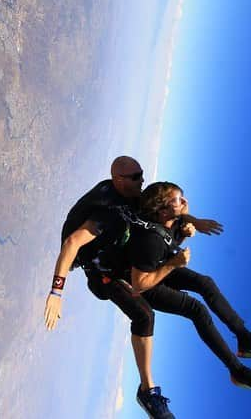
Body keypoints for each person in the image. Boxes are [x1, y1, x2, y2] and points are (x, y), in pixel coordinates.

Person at [45, 156, 221, 418]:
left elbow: (162, 207)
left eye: (142, 174)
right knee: (144, 315)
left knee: (161, 266)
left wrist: (191, 220)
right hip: (104, 274)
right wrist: (56, 292)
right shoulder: (107, 210)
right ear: (119, 180)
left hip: (120, 258)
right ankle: (148, 392)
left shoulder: (131, 194)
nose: (142, 180)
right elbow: (72, 243)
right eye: (137, 176)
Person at [126, 181, 251, 397]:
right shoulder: (150, 240)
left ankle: (244, 338)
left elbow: (180, 218)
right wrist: (174, 264)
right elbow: (138, 285)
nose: (185, 202)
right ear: (163, 211)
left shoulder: (168, 219)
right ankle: (237, 371)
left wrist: (190, 224)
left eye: (183, 197)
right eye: (178, 200)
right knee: (197, 310)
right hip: (149, 284)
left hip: (161, 265)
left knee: (205, 283)